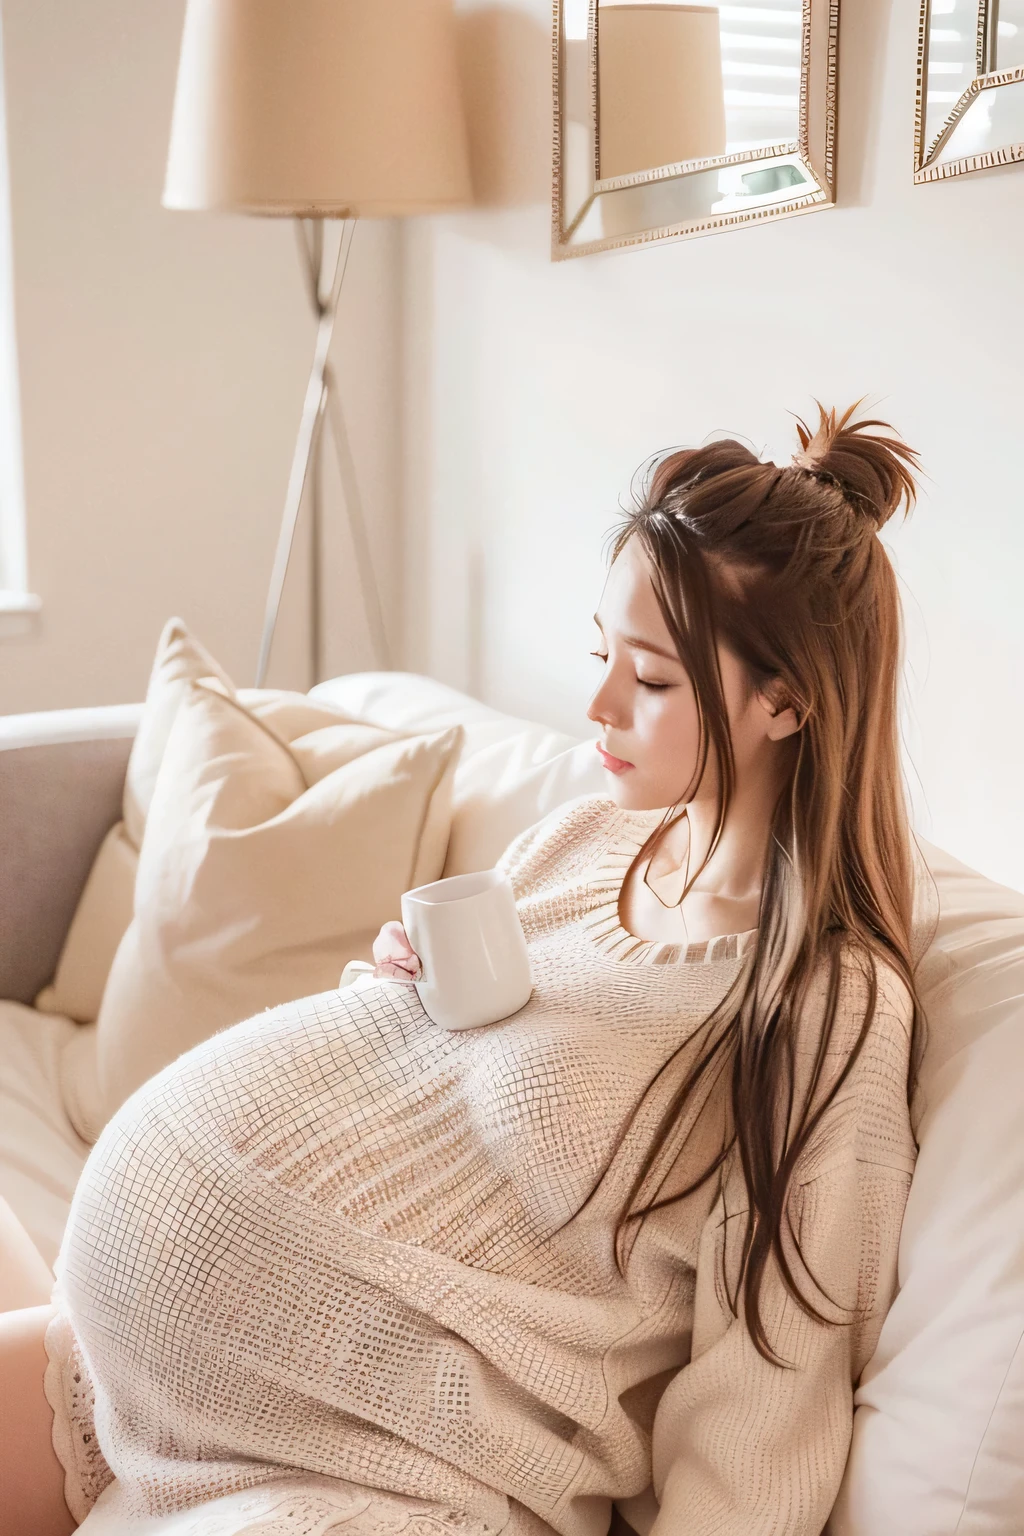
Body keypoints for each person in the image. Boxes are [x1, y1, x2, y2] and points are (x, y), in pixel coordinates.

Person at [0, 403, 939, 1536]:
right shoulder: (585, 845)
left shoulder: (819, 1012)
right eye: (602, 655)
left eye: (648, 678)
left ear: (784, 701)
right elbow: (441, 1113)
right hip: (119, 1368)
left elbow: (765, 1402)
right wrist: (389, 996)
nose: (595, 707)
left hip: (366, 1472)